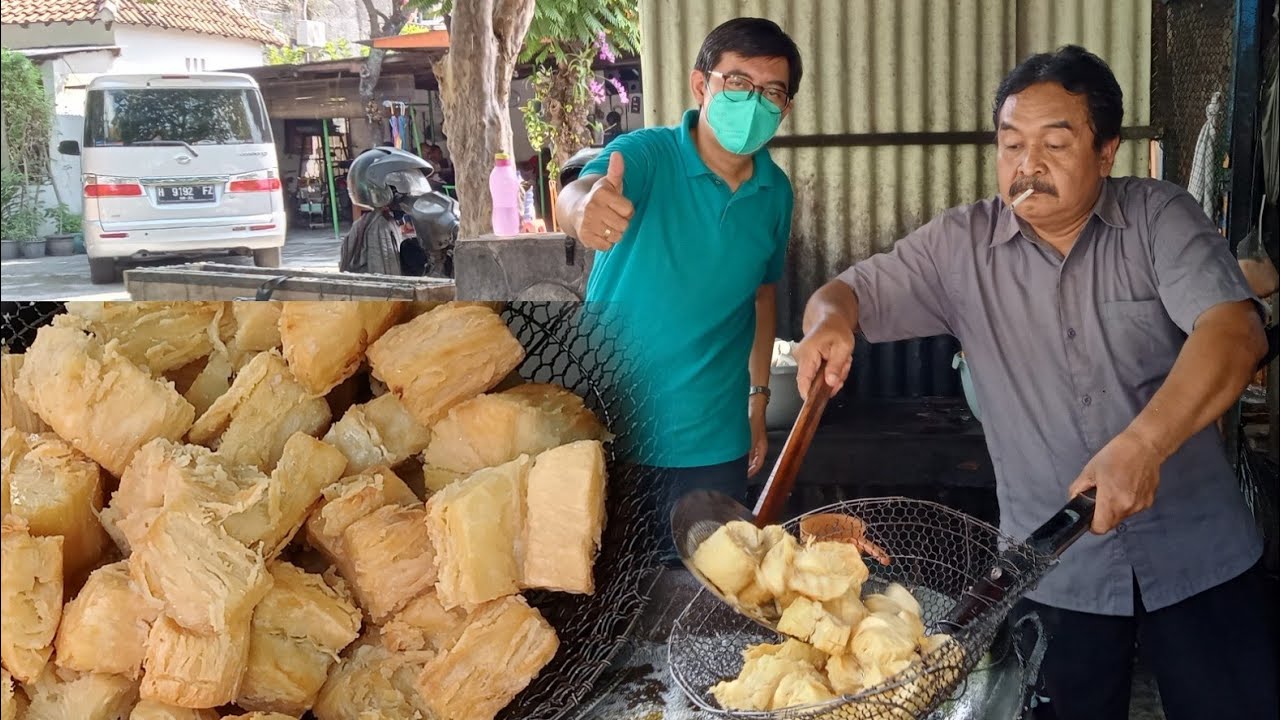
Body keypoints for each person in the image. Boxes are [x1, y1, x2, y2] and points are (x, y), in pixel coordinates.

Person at [794, 45, 1277, 720]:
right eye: (1011, 144)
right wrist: (830, 324)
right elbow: (843, 293)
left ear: (1106, 152)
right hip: (1053, 567)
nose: (1028, 165)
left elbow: (1235, 333)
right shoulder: (959, 247)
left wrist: (1143, 446)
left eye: (1055, 143)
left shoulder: (1159, 218)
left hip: (1198, 552)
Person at [556, 17, 802, 560]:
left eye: (771, 92)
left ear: (783, 109)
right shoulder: (646, 156)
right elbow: (578, 194)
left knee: (707, 597)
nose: (753, 100)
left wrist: (758, 403)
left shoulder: (775, 193)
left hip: (714, 444)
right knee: (606, 593)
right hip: (612, 429)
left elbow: (762, 297)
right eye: (737, 83)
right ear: (701, 86)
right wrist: (584, 211)